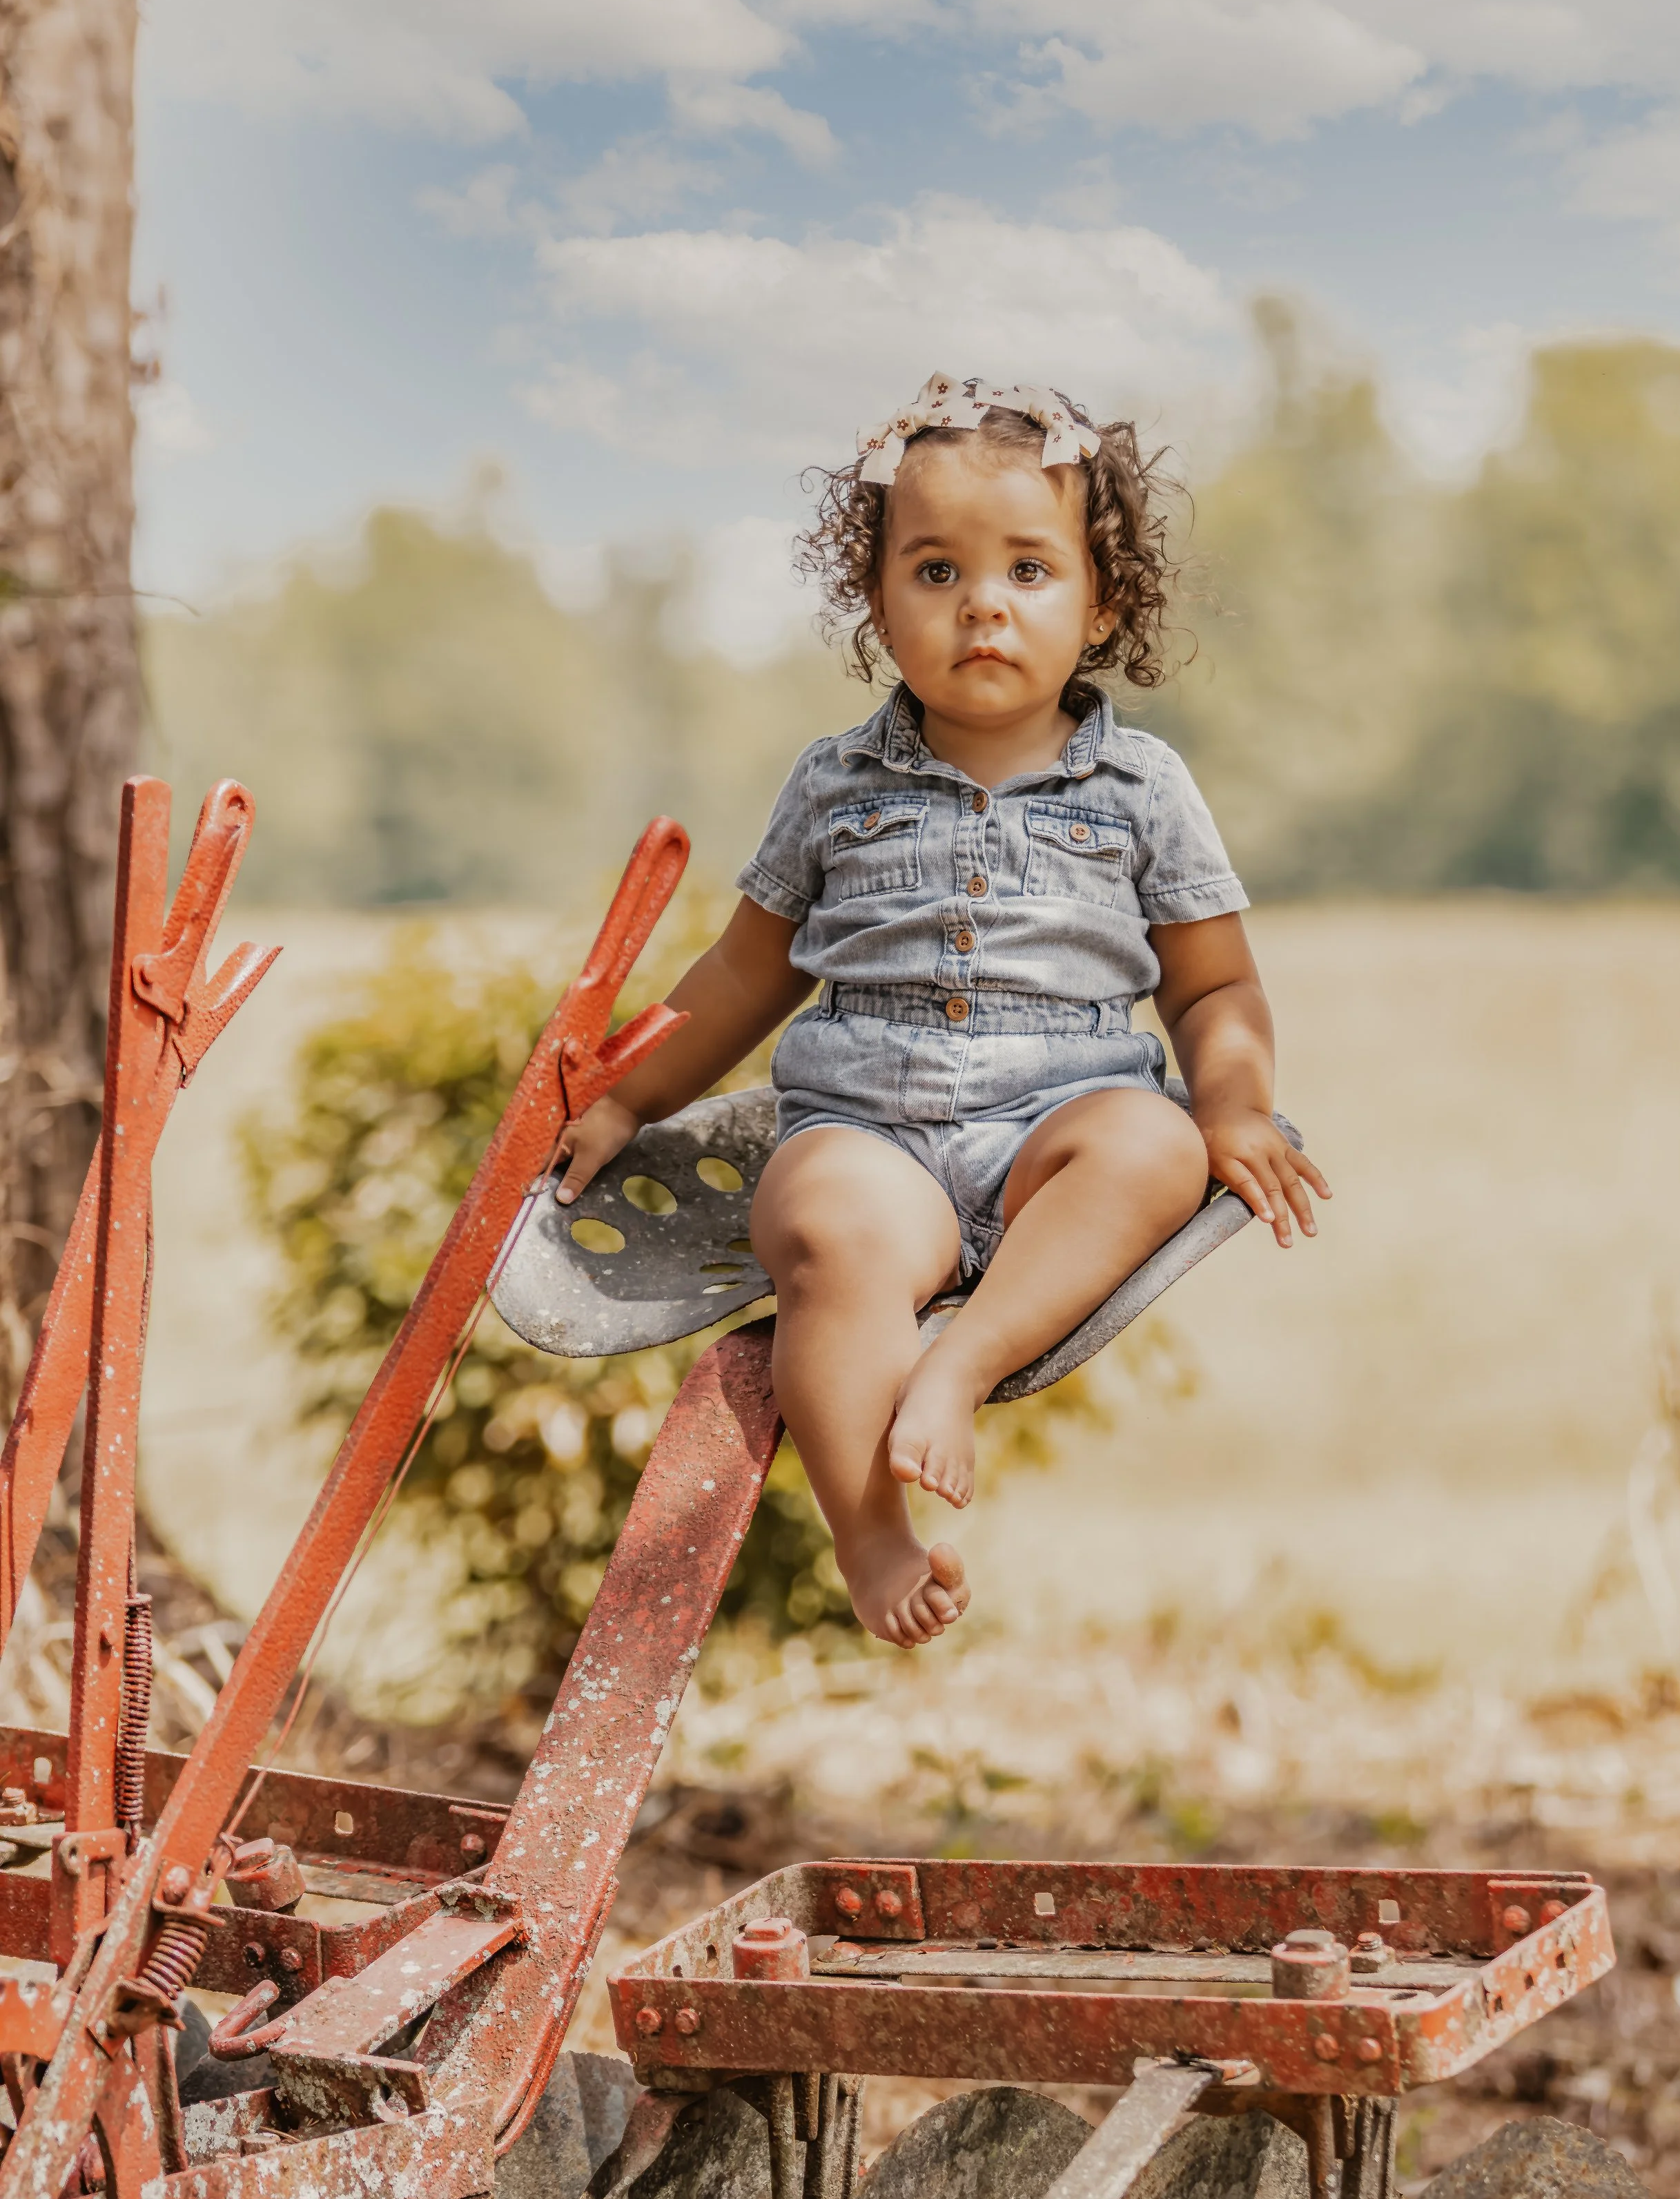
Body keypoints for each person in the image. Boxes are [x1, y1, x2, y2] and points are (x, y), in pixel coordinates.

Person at [550, 376, 1329, 1649]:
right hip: (870, 1134)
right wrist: (630, 1095)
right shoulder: (836, 780)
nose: (982, 604)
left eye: (1029, 569)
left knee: (1159, 1144)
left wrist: (1234, 1102)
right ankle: (870, 1535)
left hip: (1055, 1131)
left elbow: (1213, 979)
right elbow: (749, 968)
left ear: (1100, 604)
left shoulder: (1142, 785)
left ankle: (956, 1368)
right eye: (936, 571)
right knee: (826, 1228)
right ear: (877, 602)